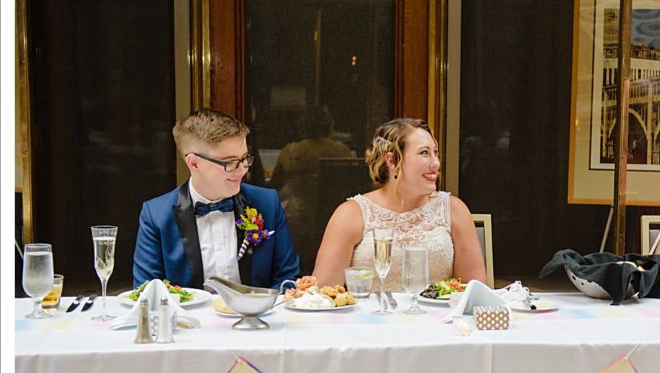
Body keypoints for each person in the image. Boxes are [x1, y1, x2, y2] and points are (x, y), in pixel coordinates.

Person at [133, 108, 300, 289]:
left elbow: (287, 278)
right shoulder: (156, 215)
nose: (243, 169)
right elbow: (146, 291)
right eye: (229, 162)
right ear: (194, 163)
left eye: (245, 158)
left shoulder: (267, 203)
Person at [312, 117, 487, 290]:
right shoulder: (351, 214)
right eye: (424, 153)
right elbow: (323, 292)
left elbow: (475, 291)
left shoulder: (454, 210)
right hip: (368, 317)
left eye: (435, 152)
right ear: (392, 161)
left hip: (436, 318)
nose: (436, 163)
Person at [269, 105, 354, 271]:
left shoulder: (291, 151)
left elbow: (275, 185)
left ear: (302, 126)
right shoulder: (341, 150)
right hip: (332, 217)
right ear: (330, 125)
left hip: (298, 221)